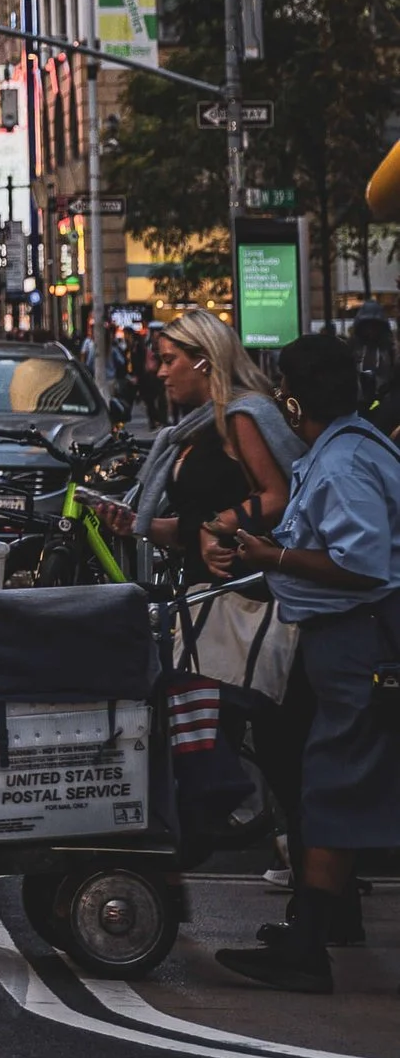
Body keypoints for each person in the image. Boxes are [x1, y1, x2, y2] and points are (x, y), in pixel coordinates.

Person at [203, 327, 400, 993]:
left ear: (292, 400)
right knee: (327, 773)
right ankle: (321, 923)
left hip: (359, 640)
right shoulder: (344, 447)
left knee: (336, 780)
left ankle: (310, 945)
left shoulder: (343, 463)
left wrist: (275, 558)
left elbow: (361, 562)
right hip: (342, 639)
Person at [109, 307, 297, 581]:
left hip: (242, 595)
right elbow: (190, 527)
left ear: (204, 361)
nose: (161, 372)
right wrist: (138, 525)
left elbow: (277, 496)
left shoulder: (241, 417)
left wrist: (214, 527)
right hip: (202, 591)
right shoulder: (195, 427)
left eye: (169, 360)